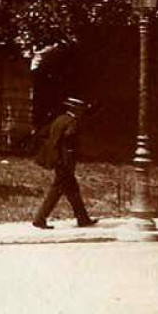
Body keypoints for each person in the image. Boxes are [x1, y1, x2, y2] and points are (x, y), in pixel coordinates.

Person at [32, 96, 99, 230]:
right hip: (65, 161)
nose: (81, 111)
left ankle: (83, 219)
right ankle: (39, 219)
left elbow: (44, 134)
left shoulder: (59, 119)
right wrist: (72, 149)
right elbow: (69, 136)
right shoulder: (72, 121)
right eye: (80, 109)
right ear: (75, 109)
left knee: (72, 190)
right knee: (56, 190)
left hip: (58, 159)